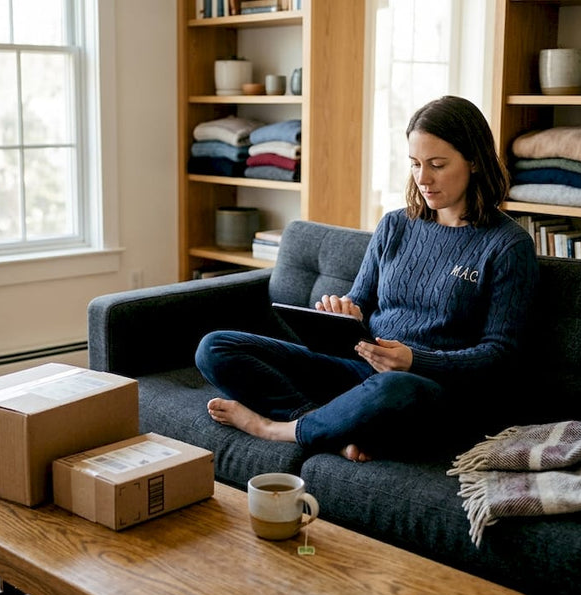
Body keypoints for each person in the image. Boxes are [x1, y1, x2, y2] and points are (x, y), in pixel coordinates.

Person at [194, 95, 539, 462]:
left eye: (438, 165)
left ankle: (276, 428)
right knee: (215, 347)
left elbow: (500, 356)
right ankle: (323, 425)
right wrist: (344, 313)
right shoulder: (394, 225)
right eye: (415, 164)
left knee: (394, 388)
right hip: (360, 369)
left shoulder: (508, 245)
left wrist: (415, 361)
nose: (423, 178)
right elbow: (360, 301)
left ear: (474, 161)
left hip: (429, 389)